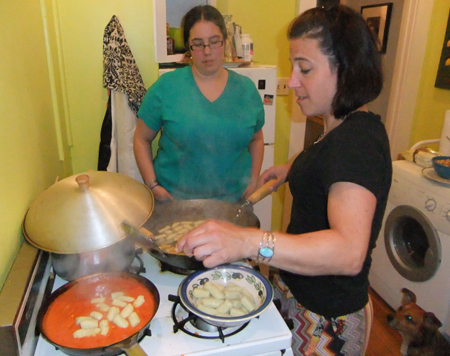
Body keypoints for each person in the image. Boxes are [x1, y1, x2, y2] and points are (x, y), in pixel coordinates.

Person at [176, 5, 392, 355]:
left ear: (346, 68)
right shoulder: (340, 125)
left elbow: (348, 252)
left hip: (326, 321)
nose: (291, 81)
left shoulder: (358, 144)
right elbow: (331, 163)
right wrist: (293, 167)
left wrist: (249, 242)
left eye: (304, 68)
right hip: (299, 291)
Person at [134, 5, 264, 203]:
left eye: (214, 42)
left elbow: (256, 140)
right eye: (198, 43)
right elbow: (141, 139)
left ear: (225, 41)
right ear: (189, 46)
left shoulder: (246, 90)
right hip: (175, 204)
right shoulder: (166, 87)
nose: (207, 51)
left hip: (233, 205)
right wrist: (152, 184)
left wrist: (254, 180)